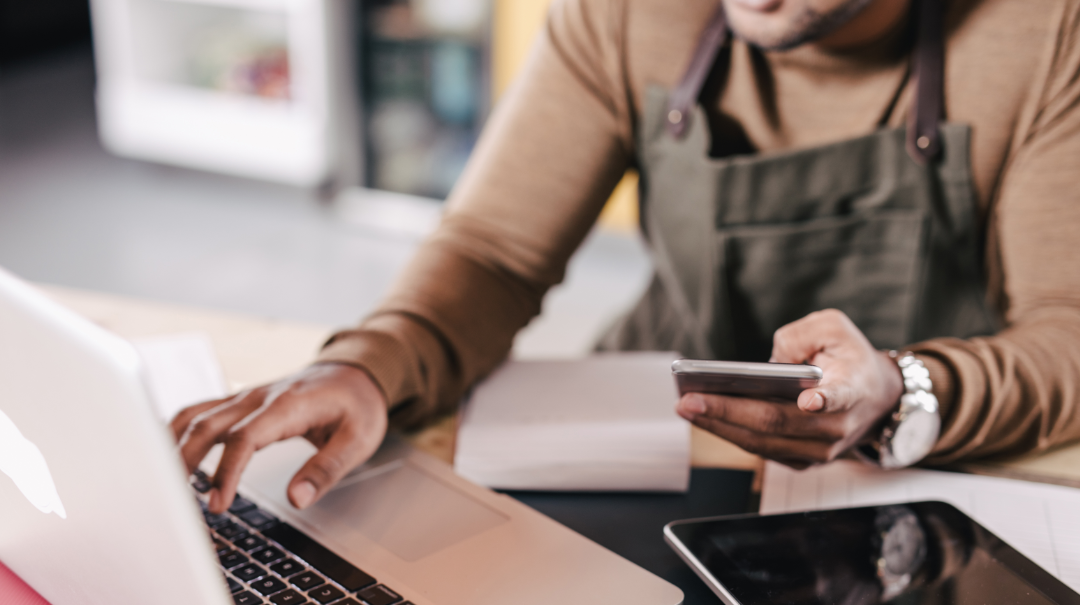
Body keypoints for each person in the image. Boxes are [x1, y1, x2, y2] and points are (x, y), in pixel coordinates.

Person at [174, 0, 1080, 514]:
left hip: (921, 475)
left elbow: (1067, 334)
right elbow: (492, 252)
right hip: (650, 448)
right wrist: (369, 366)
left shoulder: (1046, 32)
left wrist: (903, 394)